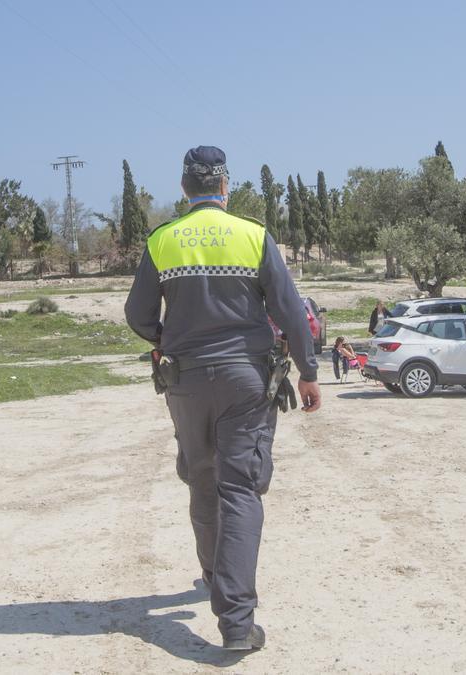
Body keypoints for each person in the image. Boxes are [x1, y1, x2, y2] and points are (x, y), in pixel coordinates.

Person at [125, 146, 321, 652]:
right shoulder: (253, 236)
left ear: (185, 189)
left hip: (186, 382)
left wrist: (166, 338)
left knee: (202, 480)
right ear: (225, 187)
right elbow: (291, 311)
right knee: (240, 489)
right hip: (246, 380)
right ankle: (236, 623)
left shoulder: (163, 240)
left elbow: (137, 314)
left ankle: (215, 576)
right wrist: (309, 371)